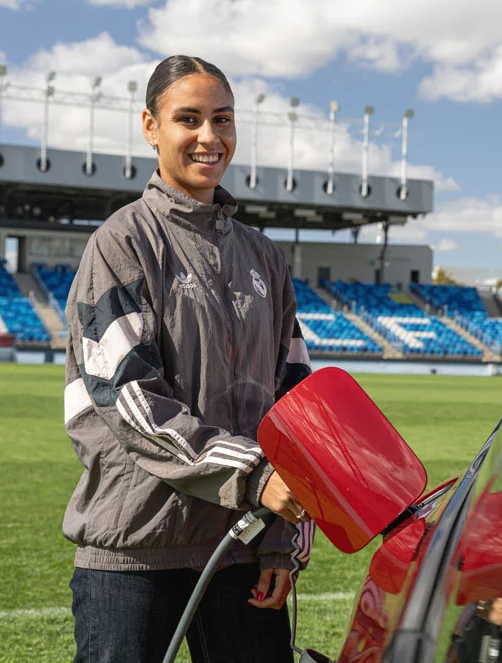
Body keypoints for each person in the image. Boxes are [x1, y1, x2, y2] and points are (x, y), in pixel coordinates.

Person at [62, 55, 314, 663]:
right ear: (151, 126)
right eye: (189, 119)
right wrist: (256, 479)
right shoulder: (121, 243)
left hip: (244, 550)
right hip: (136, 552)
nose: (209, 137)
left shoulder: (264, 256)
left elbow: (295, 404)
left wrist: (281, 541)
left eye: (222, 119)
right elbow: (131, 402)